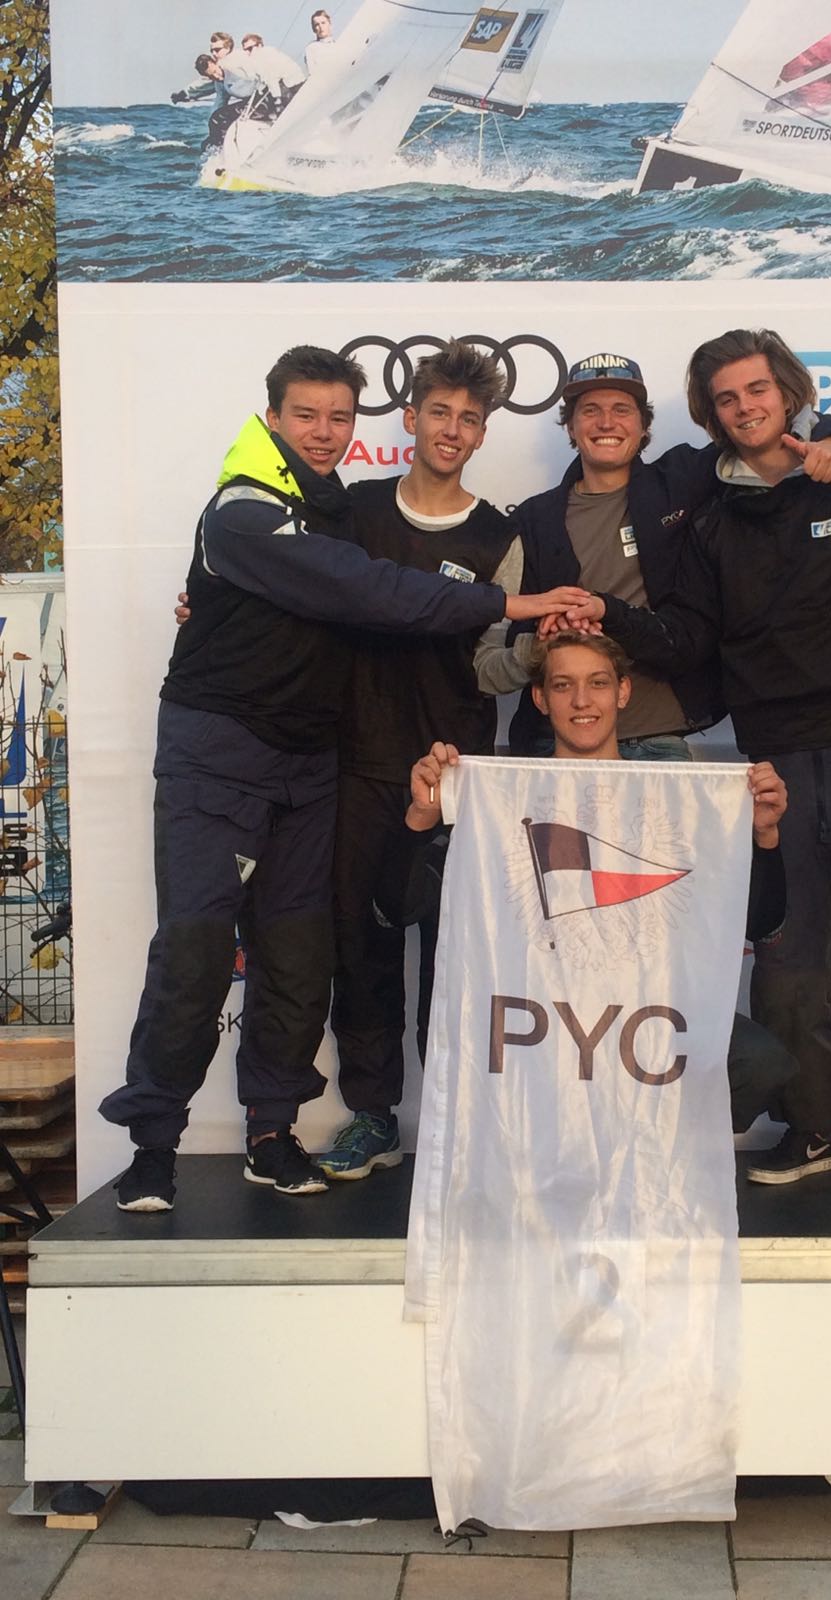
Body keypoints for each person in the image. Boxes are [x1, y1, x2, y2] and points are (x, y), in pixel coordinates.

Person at [101, 345, 587, 1213]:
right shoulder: (272, 511)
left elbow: (475, 658)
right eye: (306, 415)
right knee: (201, 951)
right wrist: (509, 603)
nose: (323, 432)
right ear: (275, 418)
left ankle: (274, 1134)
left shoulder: (338, 511)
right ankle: (154, 1146)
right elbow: (365, 589)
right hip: (252, 757)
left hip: (356, 767)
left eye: (336, 418)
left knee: (302, 960)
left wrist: (524, 646)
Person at [563, 329, 831, 1204]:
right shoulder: (706, 503)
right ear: (710, 414)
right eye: (727, 398)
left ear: (788, 392)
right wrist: (609, 619)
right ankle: (808, 1126)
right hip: (773, 755)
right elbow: (691, 636)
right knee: (787, 954)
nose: (745, 408)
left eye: (757, 390)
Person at [409, 629, 820, 1178]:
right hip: (541, 1016)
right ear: (540, 698)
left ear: (623, 692)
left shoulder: (676, 799)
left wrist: (764, 838)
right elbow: (396, 908)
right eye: (563, 686)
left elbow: (762, 923)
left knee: (758, 1061)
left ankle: (645, 1164)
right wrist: (419, 821)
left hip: (638, 1016)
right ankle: (544, 1169)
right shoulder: (502, 795)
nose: (582, 701)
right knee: (462, 1039)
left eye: (598, 683)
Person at [319, 340, 521, 1181]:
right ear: (410, 418)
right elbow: (299, 602)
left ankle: (450, 1119)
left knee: (454, 956)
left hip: (458, 774)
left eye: (469, 419)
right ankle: (372, 1116)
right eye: (439, 412)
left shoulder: (500, 535)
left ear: (482, 434)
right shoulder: (352, 508)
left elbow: (495, 664)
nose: (452, 429)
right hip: (357, 765)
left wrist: (538, 655)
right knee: (361, 947)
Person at [475, 352, 831, 760]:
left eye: (622, 409)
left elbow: (757, 433)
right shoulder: (534, 518)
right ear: (571, 426)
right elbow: (505, 636)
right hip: (557, 742)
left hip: (660, 741)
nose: (606, 422)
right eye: (590, 410)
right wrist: (544, 638)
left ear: (644, 426)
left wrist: (830, 435)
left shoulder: (683, 480)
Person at [241, 33, 306, 114]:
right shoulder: (267, 52)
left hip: (292, 88)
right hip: (295, 85)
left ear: (259, 46)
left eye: (250, 49)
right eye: (245, 50)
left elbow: (271, 79)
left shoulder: (264, 57)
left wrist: (277, 102)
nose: (247, 53)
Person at [305, 9, 337, 75]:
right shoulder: (312, 48)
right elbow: (312, 73)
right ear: (314, 29)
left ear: (329, 24)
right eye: (317, 24)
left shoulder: (338, 44)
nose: (320, 27)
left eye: (323, 23)